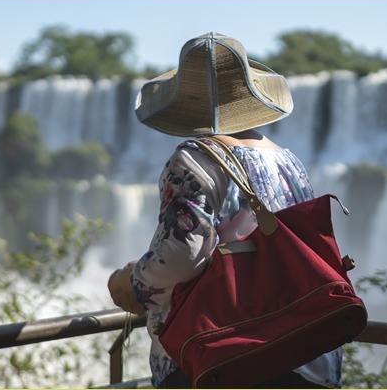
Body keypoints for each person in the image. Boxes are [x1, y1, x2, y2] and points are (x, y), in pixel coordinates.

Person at [107, 32, 342, 388]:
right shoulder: (286, 158)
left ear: (186, 101)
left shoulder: (194, 159)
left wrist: (133, 282)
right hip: (297, 349)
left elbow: (182, 254)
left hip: (227, 355)